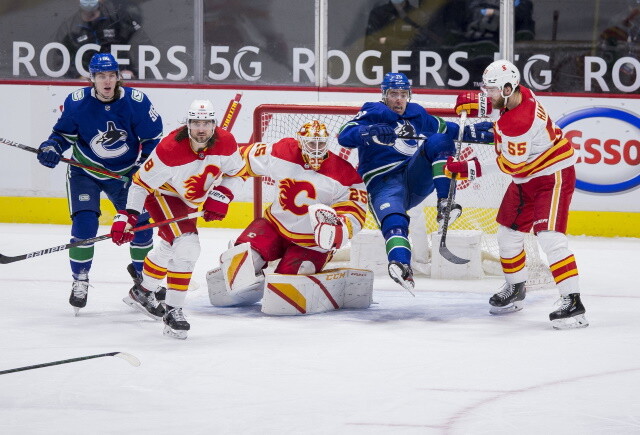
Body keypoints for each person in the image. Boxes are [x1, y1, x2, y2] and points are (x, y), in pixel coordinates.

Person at [452, 59, 588, 329]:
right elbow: (501, 116)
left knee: (550, 239)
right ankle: (516, 290)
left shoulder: (520, 123)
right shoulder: (518, 94)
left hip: (552, 176)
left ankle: (573, 304)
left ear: (506, 88)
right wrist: (482, 105)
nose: (486, 95)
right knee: (507, 235)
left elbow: (511, 164)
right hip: (526, 178)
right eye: (486, 90)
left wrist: (471, 167)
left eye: (491, 91)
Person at [337, 72, 494, 291]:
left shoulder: (417, 114)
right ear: (384, 95)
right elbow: (344, 135)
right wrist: (368, 131)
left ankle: (444, 203)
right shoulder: (373, 112)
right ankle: (401, 264)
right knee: (394, 221)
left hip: (413, 177)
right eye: (393, 94)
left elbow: (447, 130)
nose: (399, 99)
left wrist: (471, 132)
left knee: (440, 140)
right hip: (382, 182)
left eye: (403, 94)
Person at [37, 52, 162, 315]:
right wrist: (51, 146)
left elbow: (153, 141)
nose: (107, 81)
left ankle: (144, 285)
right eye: (101, 76)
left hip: (126, 174)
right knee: (85, 224)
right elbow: (62, 135)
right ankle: (80, 280)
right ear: (91, 78)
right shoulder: (77, 102)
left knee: (141, 226)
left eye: (111, 75)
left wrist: (140, 169)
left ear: (119, 77)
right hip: (86, 172)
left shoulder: (136, 102)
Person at [110, 99, 245, 339]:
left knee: (170, 247)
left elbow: (237, 173)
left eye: (206, 123)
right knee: (188, 247)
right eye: (195, 123)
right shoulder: (170, 149)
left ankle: (143, 291)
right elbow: (140, 184)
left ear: (214, 124)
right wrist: (127, 216)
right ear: (187, 124)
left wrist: (221, 195)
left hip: (188, 201)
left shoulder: (226, 142)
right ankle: (173, 311)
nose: (201, 129)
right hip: (164, 195)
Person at [208, 120, 368, 311]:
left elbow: (355, 209)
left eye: (320, 144)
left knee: (291, 277)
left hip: (312, 242)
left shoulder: (344, 173)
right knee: (242, 262)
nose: (316, 149)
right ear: (300, 142)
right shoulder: (281, 151)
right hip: (274, 226)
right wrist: (221, 191)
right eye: (311, 144)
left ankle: (307, 280)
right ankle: (256, 280)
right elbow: (240, 160)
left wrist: (341, 228)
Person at [54, 0, 152, 79]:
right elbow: (60, 62)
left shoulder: (118, 21)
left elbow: (143, 48)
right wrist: (78, 77)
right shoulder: (69, 28)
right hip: (85, 88)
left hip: (120, 85)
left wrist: (133, 73)